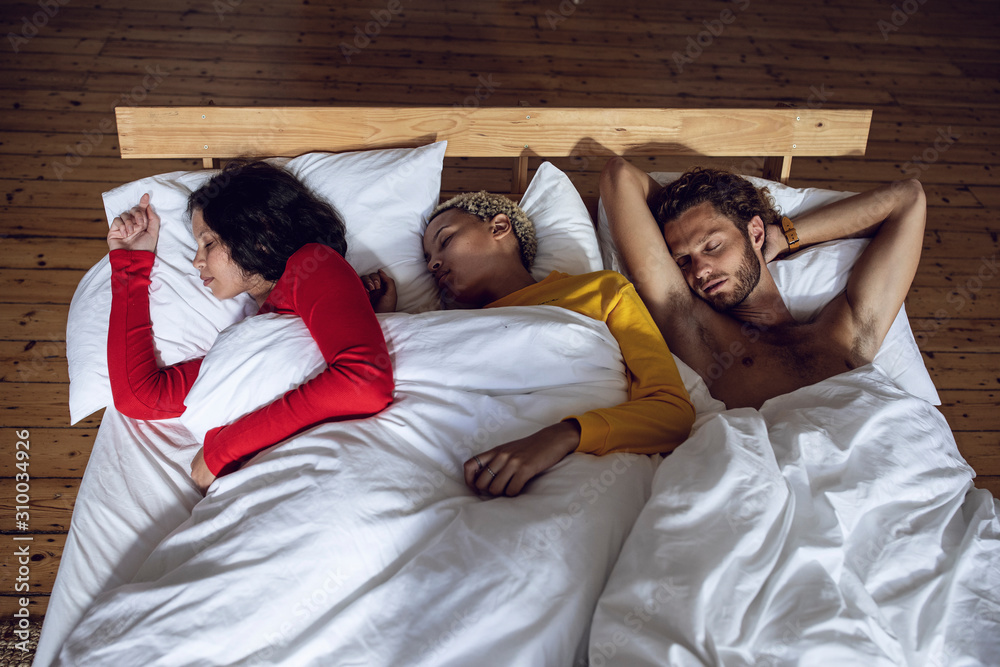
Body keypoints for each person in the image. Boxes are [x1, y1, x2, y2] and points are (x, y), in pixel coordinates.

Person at [363, 191, 695, 498]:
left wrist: (561, 436)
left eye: (445, 240)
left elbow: (671, 411)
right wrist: (382, 322)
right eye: (427, 258)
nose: (432, 264)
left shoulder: (600, 290)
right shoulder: (446, 325)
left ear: (499, 227)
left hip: (577, 475)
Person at [107, 160, 394, 492]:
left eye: (208, 243)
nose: (197, 261)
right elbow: (141, 396)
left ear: (260, 232)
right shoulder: (250, 340)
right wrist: (130, 263)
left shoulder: (312, 263)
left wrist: (222, 449)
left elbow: (363, 382)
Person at [599, 159, 927, 410]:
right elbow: (619, 175)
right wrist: (684, 212)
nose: (699, 270)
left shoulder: (846, 332)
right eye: (683, 260)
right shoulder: (697, 330)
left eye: (712, 246)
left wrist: (783, 236)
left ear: (755, 233)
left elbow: (908, 199)